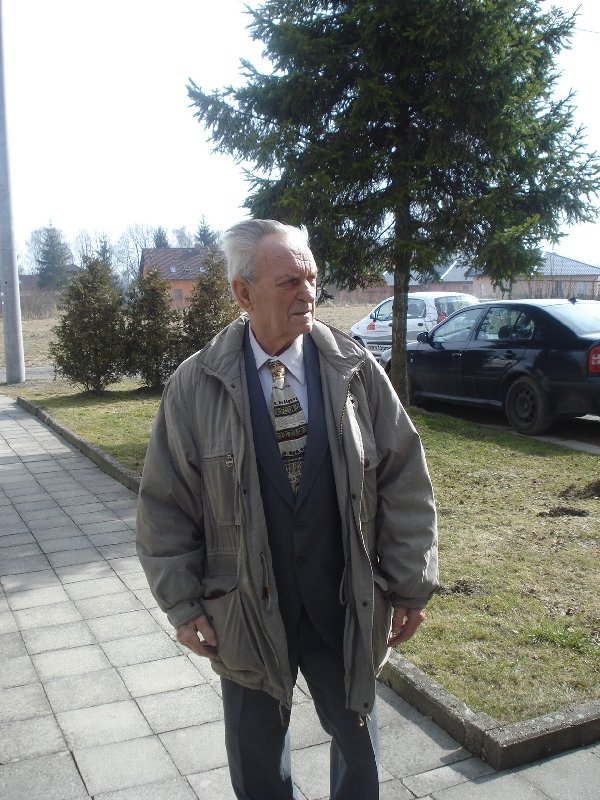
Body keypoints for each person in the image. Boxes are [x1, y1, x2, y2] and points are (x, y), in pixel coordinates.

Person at [136, 219, 439, 800]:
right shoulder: (195, 386)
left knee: (361, 754)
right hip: (244, 611)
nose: (308, 294)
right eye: (290, 282)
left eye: (312, 279)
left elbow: (404, 481)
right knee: (257, 766)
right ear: (243, 293)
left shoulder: (356, 372)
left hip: (342, 604)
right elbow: (165, 506)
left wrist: (409, 585)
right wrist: (183, 603)